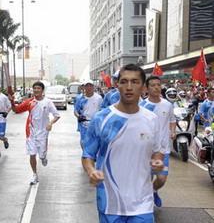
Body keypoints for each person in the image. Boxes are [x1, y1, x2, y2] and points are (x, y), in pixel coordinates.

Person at [82, 64, 164, 223]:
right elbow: (87, 155)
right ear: (117, 84)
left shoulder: (152, 120)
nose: (129, 87)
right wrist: (91, 170)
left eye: (135, 82)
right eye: (124, 81)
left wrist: (157, 160)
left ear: (143, 87)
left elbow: (157, 150)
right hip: (110, 202)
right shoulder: (101, 118)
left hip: (143, 202)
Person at [9, 81, 60, 185]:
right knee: (32, 154)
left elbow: (57, 115)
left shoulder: (48, 102)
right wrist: (11, 101)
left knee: (41, 156)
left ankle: (43, 157)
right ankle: (34, 175)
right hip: (31, 132)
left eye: (38, 88)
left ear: (42, 90)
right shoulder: (30, 102)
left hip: (43, 132)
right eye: (34, 88)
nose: (36, 90)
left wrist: (50, 123)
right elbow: (16, 110)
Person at [140, 76, 176, 208]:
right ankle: (145, 205)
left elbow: (172, 120)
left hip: (163, 149)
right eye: (153, 85)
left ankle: (154, 190)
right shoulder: (142, 105)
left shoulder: (167, 104)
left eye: (158, 85)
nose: (156, 87)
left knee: (161, 179)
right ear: (147, 88)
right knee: (146, 178)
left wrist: (173, 131)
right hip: (146, 150)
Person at [74, 80, 102, 149]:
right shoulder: (80, 98)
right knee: (84, 142)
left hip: (95, 123)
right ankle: (85, 155)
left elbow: (102, 110)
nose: (89, 88)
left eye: (90, 86)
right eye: (87, 86)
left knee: (94, 142)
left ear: (93, 87)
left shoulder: (99, 98)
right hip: (84, 123)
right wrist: (78, 116)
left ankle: (92, 156)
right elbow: (75, 111)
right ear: (84, 87)